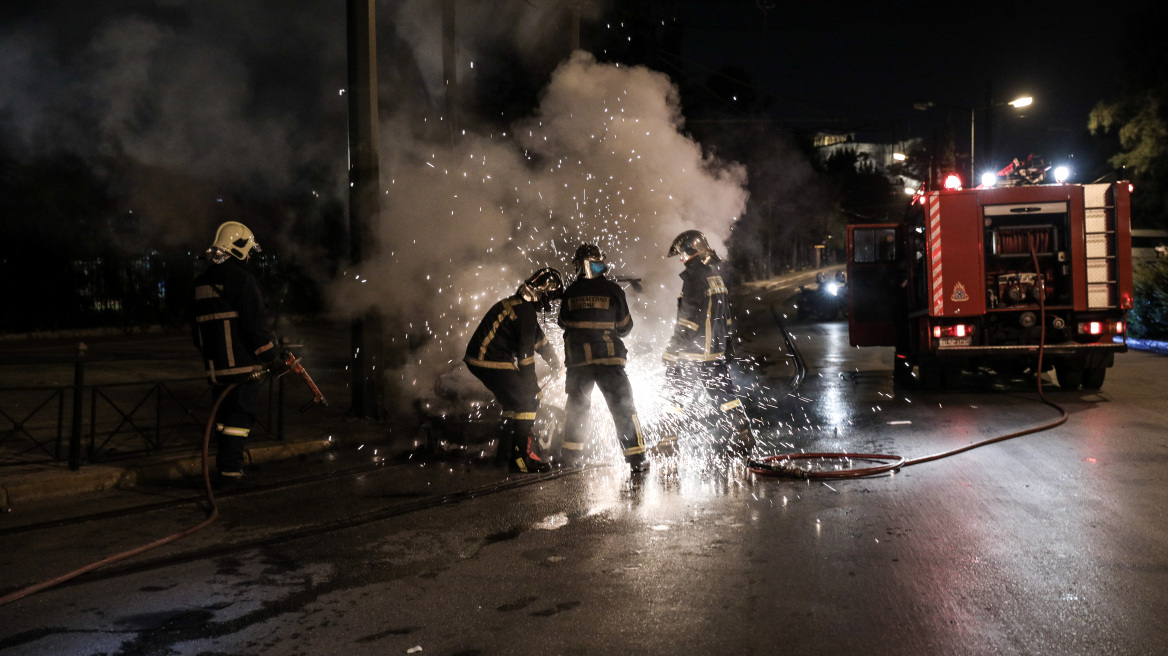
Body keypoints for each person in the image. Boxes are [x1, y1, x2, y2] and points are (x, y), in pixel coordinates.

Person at [191, 221, 282, 484]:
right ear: (238, 247)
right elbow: (255, 326)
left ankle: (225, 465)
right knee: (239, 420)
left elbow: (194, 331)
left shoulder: (200, 282)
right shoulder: (243, 280)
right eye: (249, 250)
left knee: (223, 419)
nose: (251, 256)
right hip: (242, 368)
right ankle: (231, 470)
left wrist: (211, 358)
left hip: (216, 367)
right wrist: (271, 358)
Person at [658, 230, 755, 456]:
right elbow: (726, 316)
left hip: (692, 354)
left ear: (690, 252)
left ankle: (667, 443)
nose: (681, 259)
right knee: (726, 396)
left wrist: (672, 350)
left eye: (682, 254)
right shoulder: (715, 277)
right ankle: (745, 434)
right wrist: (727, 342)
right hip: (714, 353)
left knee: (673, 397)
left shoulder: (693, 279)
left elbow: (688, 319)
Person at [558, 244, 649, 473]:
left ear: (578, 265)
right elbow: (625, 327)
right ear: (601, 263)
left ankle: (570, 458)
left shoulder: (570, 292)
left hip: (578, 363)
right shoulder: (613, 291)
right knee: (623, 408)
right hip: (608, 361)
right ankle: (637, 460)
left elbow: (562, 323)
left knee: (576, 409)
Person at [465, 267, 564, 473]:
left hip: (482, 359)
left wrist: (555, 362)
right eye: (551, 297)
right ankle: (520, 460)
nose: (551, 303)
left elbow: (539, 340)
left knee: (514, 403)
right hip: (491, 360)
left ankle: (505, 454)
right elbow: (526, 358)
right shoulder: (525, 312)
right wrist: (534, 388)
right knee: (528, 401)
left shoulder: (521, 307)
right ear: (543, 293)